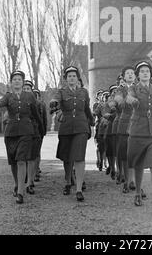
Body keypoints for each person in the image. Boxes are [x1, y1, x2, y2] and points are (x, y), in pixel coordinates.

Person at [0, 70, 43, 204]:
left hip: (26, 131)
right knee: (13, 161)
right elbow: (1, 102)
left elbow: (35, 113)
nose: (17, 81)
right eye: (14, 79)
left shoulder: (29, 96)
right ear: (11, 82)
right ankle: (17, 183)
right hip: (11, 132)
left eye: (19, 79)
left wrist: (40, 128)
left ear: (23, 81)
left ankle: (20, 192)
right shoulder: (8, 96)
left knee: (21, 160)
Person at [49, 66, 94, 202]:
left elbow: (86, 109)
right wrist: (55, 108)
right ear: (65, 79)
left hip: (81, 127)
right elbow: (54, 101)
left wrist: (92, 123)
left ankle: (79, 189)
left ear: (77, 78)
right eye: (69, 76)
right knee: (67, 158)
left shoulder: (84, 92)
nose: (72, 78)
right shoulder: (61, 92)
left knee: (79, 157)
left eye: (74, 76)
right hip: (66, 128)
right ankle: (68, 181)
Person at [126, 61, 152, 214]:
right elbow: (129, 98)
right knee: (138, 163)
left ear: (151, 73)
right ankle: (137, 193)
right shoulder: (133, 88)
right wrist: (133, 100)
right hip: (137, 130)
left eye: (147, 70)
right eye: (142, 71)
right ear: (138, 75)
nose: (145, 73)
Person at [115, 65, 137, 193]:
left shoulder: (139, 88)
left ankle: (132, 180)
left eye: (132, 73)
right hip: (124, 124)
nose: (130, 75)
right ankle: (125, 178)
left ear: (135, 75)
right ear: (124, 76)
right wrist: (126, 100)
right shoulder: (120, 89)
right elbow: (118, 101)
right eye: (127, 73)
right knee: (124, 153)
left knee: (134, 152)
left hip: (136, 123)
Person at [103, 84, 118, 180]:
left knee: (118, 151)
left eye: (117, 91)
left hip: (120, 129)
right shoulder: (108, 103)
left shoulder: (122, 101)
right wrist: (111, 115)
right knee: (110, 151)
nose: (116, 93)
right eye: (114, 92)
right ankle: (112, 167)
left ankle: (119, 170)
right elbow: (105, 113)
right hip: (110, 129)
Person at [33, 89, 48, 181]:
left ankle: (36, 169)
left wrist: (43, 130)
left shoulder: (42, 104)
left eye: (37, 94)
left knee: (37, 152)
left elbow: (44, 118)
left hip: (39, 131)